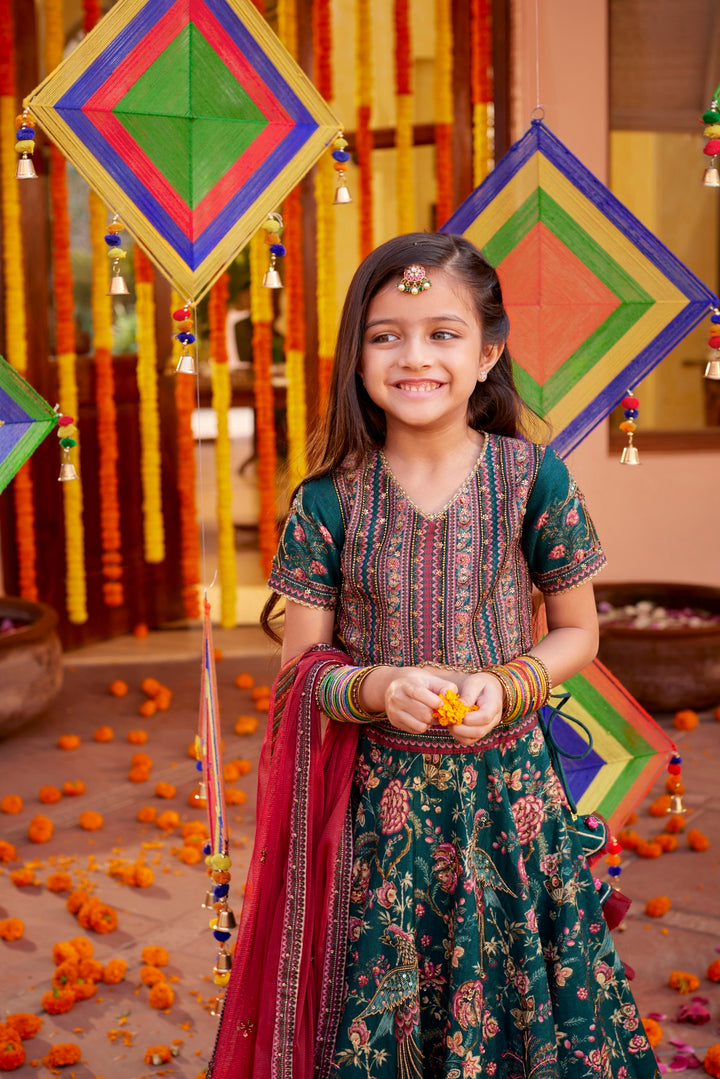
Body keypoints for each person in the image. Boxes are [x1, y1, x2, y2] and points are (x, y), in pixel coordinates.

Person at [208, 233, 659, 1079]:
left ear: (488, 352)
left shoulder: (533, 479)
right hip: (380, 820)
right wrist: (378, 685)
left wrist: (503, 682)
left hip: (511, 804)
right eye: (387, 334)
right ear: (357, 355)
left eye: (443, 332)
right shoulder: (327, 501)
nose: (415, 356)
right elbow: (301, 673)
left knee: (525, 1004)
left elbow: (578, 632)